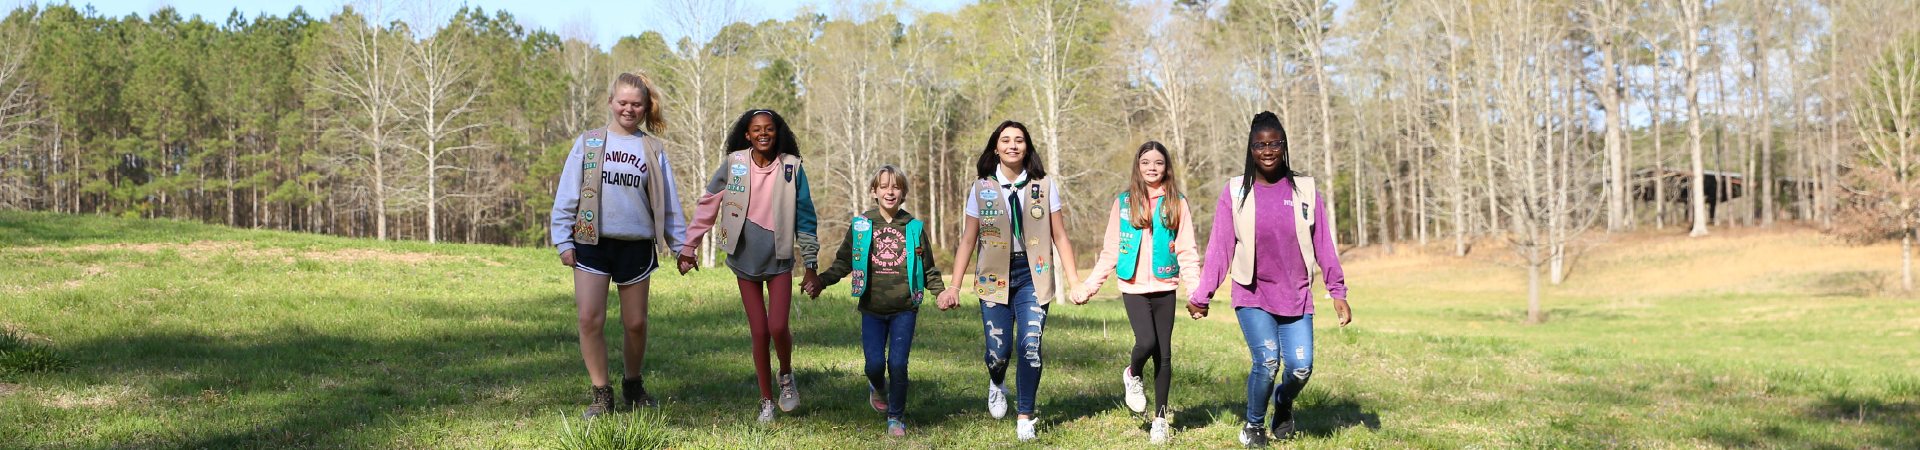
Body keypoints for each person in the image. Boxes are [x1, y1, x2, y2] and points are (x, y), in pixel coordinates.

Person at [1189, 111, 1353, 448]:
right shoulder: (1236, 191)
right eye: (1261, 145)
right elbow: (1220, 247)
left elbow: (1323, 242)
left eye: (1275, 143)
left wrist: (1337, 290)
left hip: (1296, 294)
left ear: (1284, 146)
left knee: (1301, 367)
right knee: (1266, 360)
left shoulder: (1305, 189)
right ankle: (1253, 426)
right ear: (1251, 149)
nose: (1268, 150)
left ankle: (1283, 401)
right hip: (1252, 292)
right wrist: (1202, 294)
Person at [549, 71, 687, 419]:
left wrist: (682, 245)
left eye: (636, 104)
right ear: (611, 102)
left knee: (636, 323)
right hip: (592, 242)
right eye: (622, 102)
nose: (629, 109)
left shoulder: (652, 149)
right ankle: (601, 394)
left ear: (644, 108)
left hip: (636, 246)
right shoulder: (590, 142)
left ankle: (632, 385)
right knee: (589, 319)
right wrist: (563, 239)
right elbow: (568, 192)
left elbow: (668, 202)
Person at [935, 120, 1084, 442]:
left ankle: (1025, 416)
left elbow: (1060, 235)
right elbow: (967, 240)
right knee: (998, 351)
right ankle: (996, 382)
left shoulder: (1043, 186)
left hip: (1034, 276)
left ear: (1027, 147)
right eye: (1006, 140)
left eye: (1019, 140)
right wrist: (954, 286)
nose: (1013, 145)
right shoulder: (981, 188)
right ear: (995, 148)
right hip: (993, 277)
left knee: (1030, 346)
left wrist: (1074, 282)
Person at [677, 109, 821, 424]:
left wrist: (810, 265)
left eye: (769, 129)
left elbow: (806, 217)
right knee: (758, 331)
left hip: (780, 258)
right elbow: (708, 203)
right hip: (744, 257)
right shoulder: (735, 164)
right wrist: (690, 246)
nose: (763, 134)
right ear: (747, 134)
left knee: (777, 327)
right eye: (757, 130)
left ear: (777, 132)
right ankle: (766, 402)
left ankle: (786, 374)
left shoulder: (792, 168)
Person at [1069, 141, 1202, 445]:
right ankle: (1133, 373)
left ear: (1166, 167)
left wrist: (1195, 294)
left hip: (1165, 286)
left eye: (1158, 162)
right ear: (1137, 166)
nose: (1151, 167)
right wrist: (1090, 286)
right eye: (1145, 162)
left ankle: (1161, 419)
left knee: (1164, 355)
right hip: (1133, 287)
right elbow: (1110, 250)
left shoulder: (1177, 202)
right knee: (1147, 342)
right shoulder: (1123, 203)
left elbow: (1187, 251)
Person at [808, 165, 945, 437]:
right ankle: (878, 387)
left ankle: (895, 417)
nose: (889, 191)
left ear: (903, 193)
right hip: (871, 308)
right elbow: (843, 262)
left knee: (897, 364)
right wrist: (821, 281)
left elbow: (928, 267)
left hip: (905, 307)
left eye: (895, 186)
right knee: (873, 366)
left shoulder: (914, 227)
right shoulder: (862, 225)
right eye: (883, 186)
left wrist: (940, 293)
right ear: (874, 191)